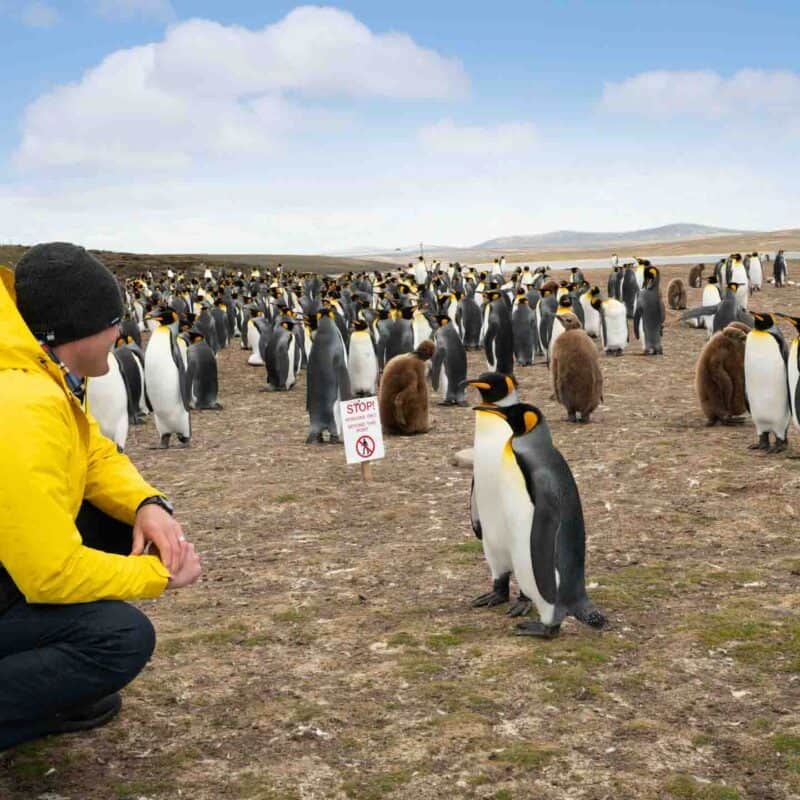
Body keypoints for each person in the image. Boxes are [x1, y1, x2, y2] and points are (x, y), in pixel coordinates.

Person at [0, 242, 202, 751]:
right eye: (113, 321)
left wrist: (147, 505)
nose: (121, 332)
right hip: (27, 570)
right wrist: (159, 574)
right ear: (78, 329)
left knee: (116, 527)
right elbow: (50, 574)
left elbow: (92, 452)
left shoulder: (38, 370)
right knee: (120, 639)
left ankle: (45, 691)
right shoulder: (22, 403)